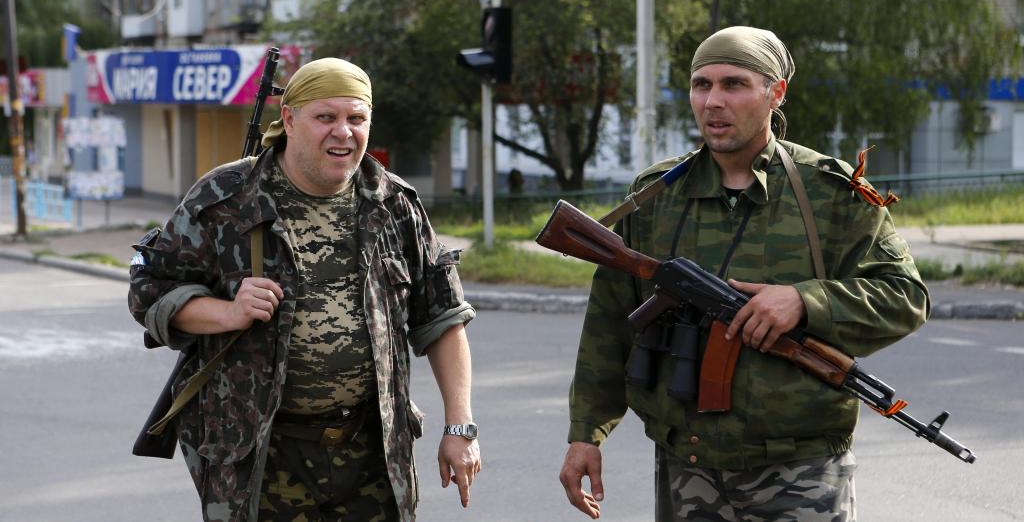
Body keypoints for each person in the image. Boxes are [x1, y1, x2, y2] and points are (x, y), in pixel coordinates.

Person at [558, 26, 929, 521]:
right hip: (687, 467)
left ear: (776, 93)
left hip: (802, 470)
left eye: (733, 84)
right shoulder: (657, 196)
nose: (713, 101)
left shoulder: (831, 194)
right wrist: (586, 433)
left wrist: (804, 301)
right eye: (701, 85)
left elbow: (905, 297)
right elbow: (609, 323)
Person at [129, 58, 481, 522]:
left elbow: (444, 319)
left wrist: (460, 426)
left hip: (372, 456)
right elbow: (149, 290)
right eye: (326, 117)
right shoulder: (226, 199)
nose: (343, 132)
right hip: (260, 457)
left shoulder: (395, 205)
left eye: (356, 119)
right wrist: (227, 312)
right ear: (290, 120)